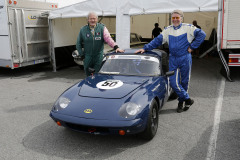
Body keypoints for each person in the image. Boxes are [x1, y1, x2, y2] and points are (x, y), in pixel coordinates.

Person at [135, 9, 206, 113]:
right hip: (173, 58)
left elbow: (202, 35)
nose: (175, 20)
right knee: (173, 82)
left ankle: (181, 102)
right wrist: (145, 48)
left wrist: (192, 47)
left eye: (177, 17)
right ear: (171, 19)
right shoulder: (167, 30)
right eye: (173, 18)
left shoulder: (188, 28)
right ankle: (188, 99)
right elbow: (157, 40)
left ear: (181, 18)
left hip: (185, 57)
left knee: (185, 81)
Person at [76, 12, 124, 76]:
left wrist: (116, 47)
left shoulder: (102, 28)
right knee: (88, 75)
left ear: (97, 19)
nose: (93, 20)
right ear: (87, 20)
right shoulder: (83, 29)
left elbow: (108, 38)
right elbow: (78, 43)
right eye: (91, 19)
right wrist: (82, 55)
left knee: (97, 74)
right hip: (87, 56)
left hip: (98, 56)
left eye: (94, 18)